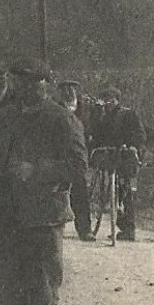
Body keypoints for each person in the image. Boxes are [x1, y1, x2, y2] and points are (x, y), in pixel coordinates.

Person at [0, 59, 88, 305]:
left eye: (29, 83)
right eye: (16, 82)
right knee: (5, 284)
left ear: (45, 85)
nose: (21, 89)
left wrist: (37, 170)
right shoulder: (4, 117)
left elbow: (79, 167)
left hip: (41, 216)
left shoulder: (61, 119)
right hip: (3, 214)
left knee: (41, 283)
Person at [90, 85, 147, 241]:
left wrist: (132, 146)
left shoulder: (128, 114)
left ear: (117, 100)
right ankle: (117, 222)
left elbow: (139, 134)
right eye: (105, 100)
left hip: (125, 156)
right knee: (110, 189)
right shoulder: (102, 118)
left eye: (111, 100)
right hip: (109, 156)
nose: (108, 103)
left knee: (125, 190)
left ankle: (128, 228)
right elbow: (96, 135)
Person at [57, 80, 96, 241]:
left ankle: (85, 229)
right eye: (65, 89)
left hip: (79, 155)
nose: (69, 91)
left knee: (80, 191)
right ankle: (55, 225)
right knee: (57, 190)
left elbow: (92, 128)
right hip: (60, 155)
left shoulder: (86, 109)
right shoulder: (56, 108)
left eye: (71, 88)